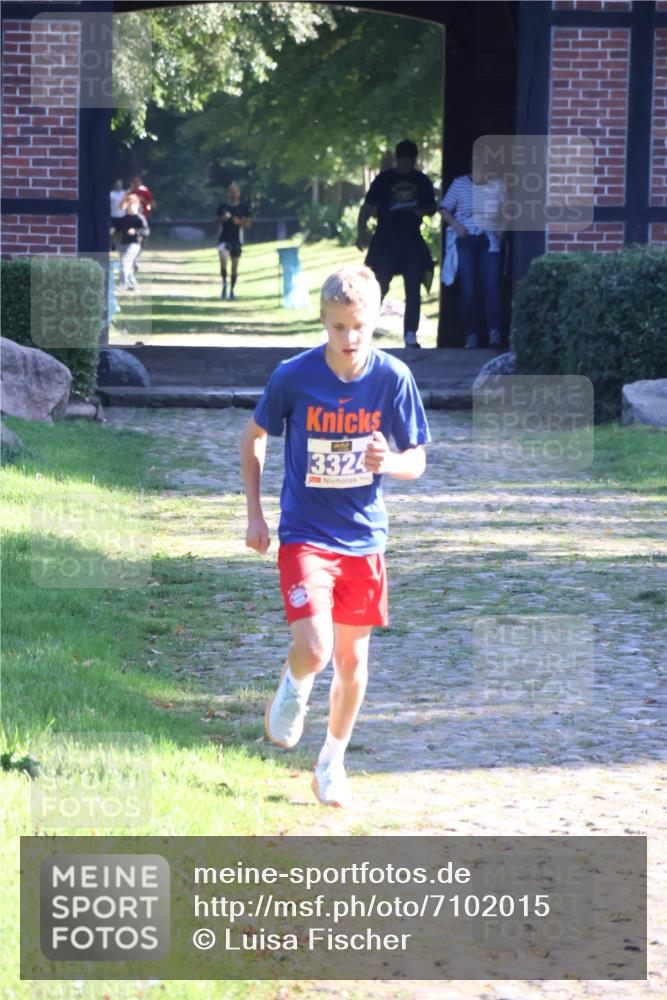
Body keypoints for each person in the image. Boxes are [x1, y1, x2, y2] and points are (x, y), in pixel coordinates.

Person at [241, 264, 430, 808]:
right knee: (318, 648)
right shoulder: (293, 376)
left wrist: (389, 461)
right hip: (305, 533)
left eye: (360, 327)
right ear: (322, 321)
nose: (349, 339)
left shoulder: (392, 379)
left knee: (352, 662)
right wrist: (255, 514)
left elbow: (416, 459)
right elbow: (253, 436)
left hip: (364, 539)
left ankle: (331, 763)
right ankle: (295, 684)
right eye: (338, 327)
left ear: (375, 321)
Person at [356, 139, 437, 349]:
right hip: (386, 239)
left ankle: (410, 333)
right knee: (378, 287)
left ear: (413, 161)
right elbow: (367, 207)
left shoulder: (421, 180)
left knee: (413, 287)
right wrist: (360, 233)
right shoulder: (383, 180)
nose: (405, 166)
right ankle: (366, 330)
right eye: (402, 161)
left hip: (412, 239)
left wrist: (418, 212)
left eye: (409, 162)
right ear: (397, 160)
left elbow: (431, 207)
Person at [440, 159, 506, 349]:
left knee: (491, 287)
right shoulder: (459, 184)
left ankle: (494, 332)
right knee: (468, 289)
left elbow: (506, 211)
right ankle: (471, 334)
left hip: (489, 242)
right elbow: (444, 208)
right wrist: (456, 226)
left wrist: (501, 232)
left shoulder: (497, 186)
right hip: (466, 241)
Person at [216, 182, 252, 300]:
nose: (233, 193)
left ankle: (232, 290)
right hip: (224, 239)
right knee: (224, 260)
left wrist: (240, 223)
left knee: (234, 267)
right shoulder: (223, 206)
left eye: (235, 191)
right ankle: (224, 285)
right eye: (231, 191)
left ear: (239, 193)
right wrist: (222, 218)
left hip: (236, 240)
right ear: (228, 193)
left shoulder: (243, 207)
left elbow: (248, 224)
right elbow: (215, 220)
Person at [109, 194, 149, 291]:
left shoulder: (140, 218)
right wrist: (113, 229)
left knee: (124, 263)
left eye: (132, 205)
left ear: (137, 206)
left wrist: (135, 231)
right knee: (127, 266)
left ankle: (122, 286)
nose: (130, 207)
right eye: (128, 205)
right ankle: (134, 286)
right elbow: (118, 226)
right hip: (123, 244)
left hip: (134, 245)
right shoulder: (125, 218)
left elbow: (146, 231)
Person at [109, 179, 127, 251]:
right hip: (113, 215)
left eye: (120, 185)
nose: (118, 186)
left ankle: (121, 244)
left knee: (121, 232)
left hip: (122, 216)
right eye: (117, 185)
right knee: (113, 232)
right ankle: (113, 244)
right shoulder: (111, 194)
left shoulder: (124, 193)